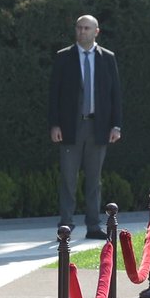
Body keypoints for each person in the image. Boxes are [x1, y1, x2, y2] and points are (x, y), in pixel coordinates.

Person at [48, 14, 123, 239]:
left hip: (98, 127)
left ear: (96, 31)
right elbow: (54, 95)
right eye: (79, 28)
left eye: (87, 28)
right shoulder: (64, 57)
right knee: (68, 178)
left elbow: (115, 95)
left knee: (94, 179)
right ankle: (67, 224)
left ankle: (93, 225)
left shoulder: (107, 58)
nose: (82, 32)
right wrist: (54, 125)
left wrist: (116, 126)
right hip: (71, 127)